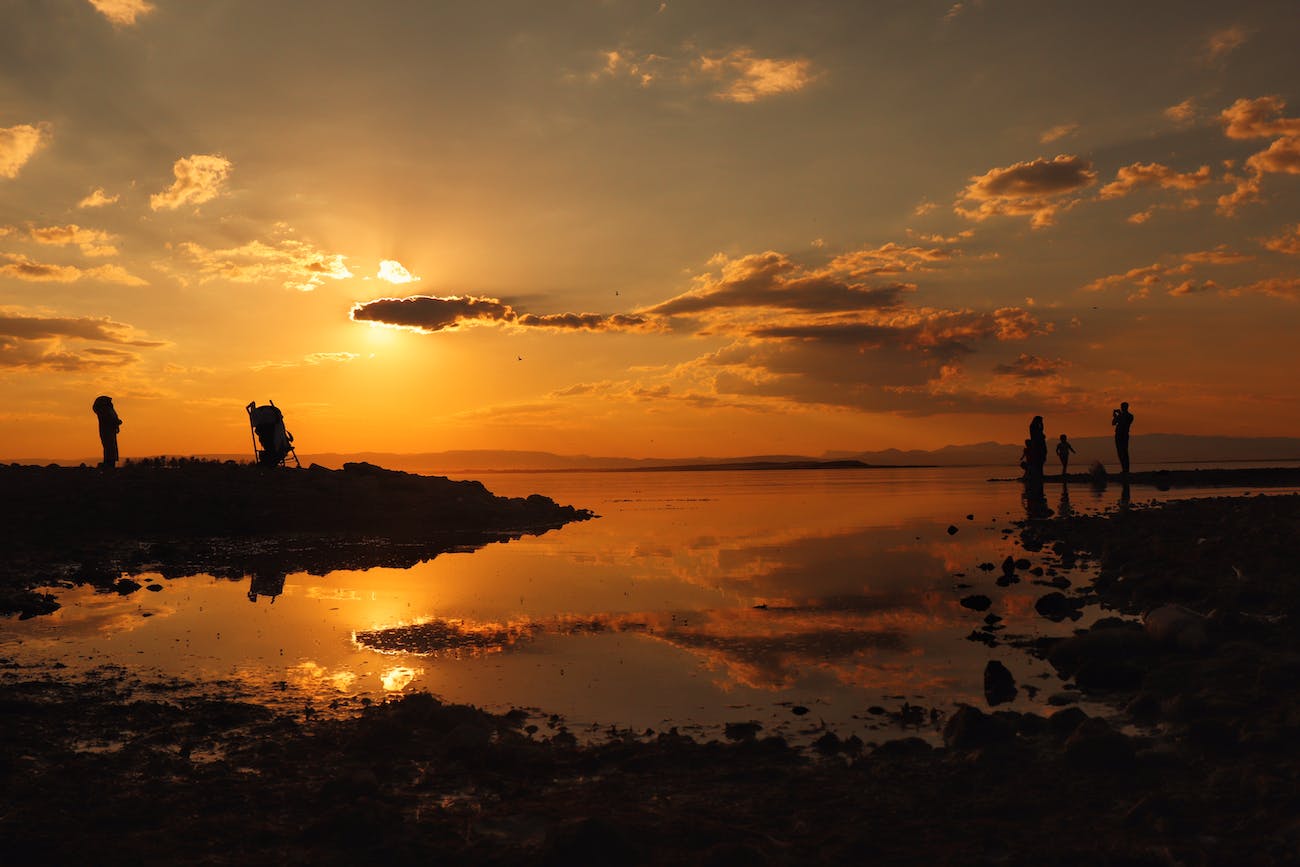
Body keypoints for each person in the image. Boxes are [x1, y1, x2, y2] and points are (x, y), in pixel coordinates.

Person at [91, 395, 122, 469]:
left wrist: (116, 423)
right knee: (109, 446)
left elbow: (113, 418)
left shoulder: (107, 410)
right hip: (107, 431)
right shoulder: (104, 411)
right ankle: (109, 463)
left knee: (110, 447)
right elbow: (110, 419)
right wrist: (117, 422)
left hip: (110, 431)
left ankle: (109, 463)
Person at [1111, 402, 1134, 474]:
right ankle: (1124, 469)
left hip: (1123, 435)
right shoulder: (1121, 416)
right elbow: (1113, 423)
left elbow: (1124, 422)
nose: (1121, 408)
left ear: (1126, 407)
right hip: (1118, 435)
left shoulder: (1129, 416)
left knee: (1124, 452)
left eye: (1122, 407)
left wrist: (1119, 415)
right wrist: (1115, 416)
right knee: (1120, 452)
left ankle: (1126, 470)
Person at [1028, 416, 1048, 481]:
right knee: (1039, 459)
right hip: (1038, 444)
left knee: (1041, 459)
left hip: (1039, 444)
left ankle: (1040, 474)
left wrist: (1042, 424)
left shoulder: (1035, 426)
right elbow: (1037, 435)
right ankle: (1038, 474)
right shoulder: (1033, 426)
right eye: (1040, 420)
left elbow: (1041, 430)